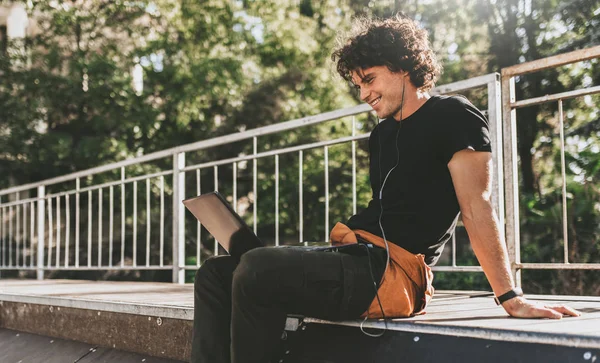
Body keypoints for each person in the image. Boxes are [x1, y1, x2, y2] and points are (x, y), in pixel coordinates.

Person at [190, 14, 581, 363]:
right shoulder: (381, 135)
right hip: (355, 256)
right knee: (215, 272)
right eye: (357, 84)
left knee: (258, 267)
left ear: (404, 67)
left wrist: (509, 297)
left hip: (393, 273)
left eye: (369, 79)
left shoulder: (454, 115)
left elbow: (477, 207)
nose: (363, 94)